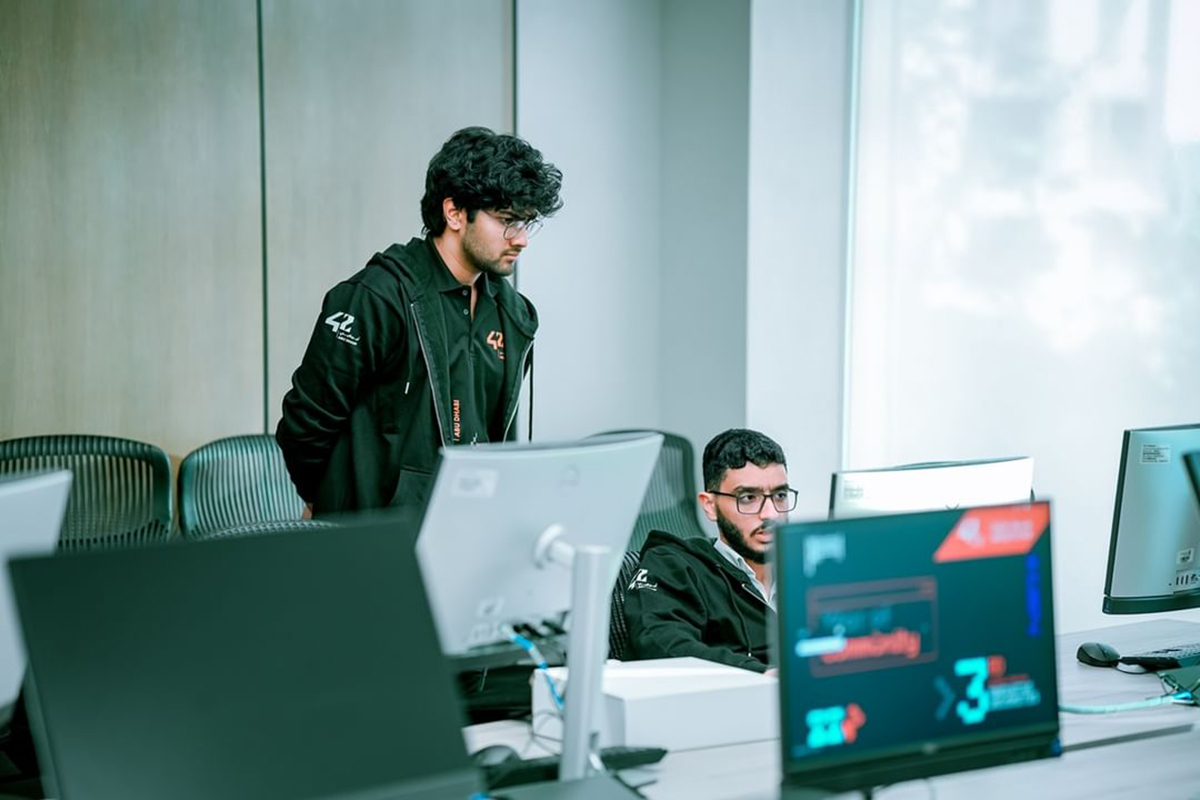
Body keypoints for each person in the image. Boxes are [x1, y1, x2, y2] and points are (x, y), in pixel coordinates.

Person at [277, 126, 563, 516]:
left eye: (527, 223)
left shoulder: (512, 314)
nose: (521, 239)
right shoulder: (377, 298)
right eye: (507, 220)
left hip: (468, 527)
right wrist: (328, 502)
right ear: (455, 213)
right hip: (377, 536)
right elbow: (305, 424)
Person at [623, 428, 795, 673]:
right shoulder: (673, 565)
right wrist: (763, 674)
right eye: (748, 497)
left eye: (779, 495)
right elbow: (661, 644)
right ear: (710, 506)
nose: (771, 514)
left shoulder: (807, 569)